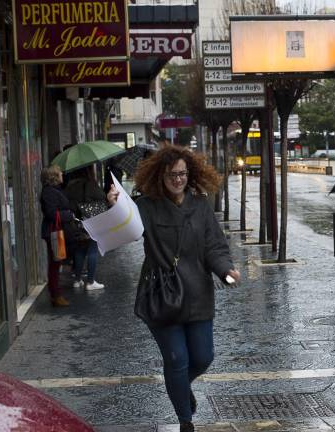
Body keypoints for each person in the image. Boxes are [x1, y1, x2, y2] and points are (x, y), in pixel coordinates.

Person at [133, 145, 240, 432]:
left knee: (203, 357)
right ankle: (185, 421)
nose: (178, 179)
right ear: (160, 175)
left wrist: (226, 272)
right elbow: (119, 226)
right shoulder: (145, 207)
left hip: (197, 295)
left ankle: (181, 387)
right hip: (162, 295)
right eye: (171, 174)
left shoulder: (200, 206)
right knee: (177, 358)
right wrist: (114, 203)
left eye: (182, 173)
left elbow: (214, 247)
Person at [65, 165, 117, 290]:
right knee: (93, 250)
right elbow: (102, 198)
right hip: (91, 221)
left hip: (76, 223)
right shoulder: (90, 184)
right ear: (88, 171)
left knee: (79, 251)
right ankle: (90, 281)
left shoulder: (70, 187)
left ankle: (77, 280)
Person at [39, 165, 75, 307]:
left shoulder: (55, 190)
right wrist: (69, 215)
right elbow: (51, 213)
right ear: (54, 176)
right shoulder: (49, 192)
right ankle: (55, 294)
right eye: (60, 173)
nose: (62, 174)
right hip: (53, 232)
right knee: (54, 264)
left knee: (56, 262)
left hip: (57, 230)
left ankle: (56, 294)